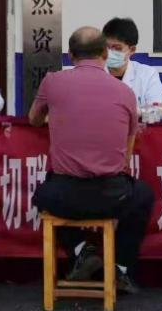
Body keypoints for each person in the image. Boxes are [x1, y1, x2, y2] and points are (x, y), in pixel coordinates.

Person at [30, 27, 155, 296]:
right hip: (112, 196)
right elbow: (126, 153)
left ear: (70, 55)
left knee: (41, 194)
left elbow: (34, 119)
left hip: (64, 196)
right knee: (143, 194)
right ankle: (120, 268)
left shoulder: (52, 82)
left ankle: (81, 251)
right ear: (105, 54)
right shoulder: (125, 92)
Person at [102, 17, 162, 115]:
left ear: (132, 50)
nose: (110, 52)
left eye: (117, 48)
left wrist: (137, 112)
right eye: (106, 47)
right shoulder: (94, 73)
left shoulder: (147, 74)